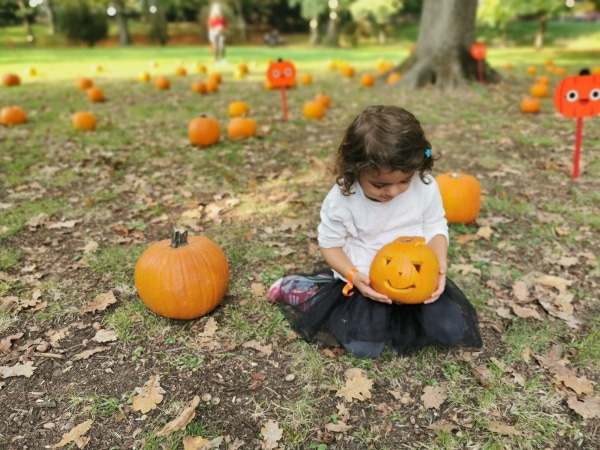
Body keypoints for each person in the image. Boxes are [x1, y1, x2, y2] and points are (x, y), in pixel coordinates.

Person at [269, 105, 482, 358]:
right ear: (355, 169)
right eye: (379, 184)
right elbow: (330, 245)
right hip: (366, 279)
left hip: (415, 276)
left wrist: (439, 263)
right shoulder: (342, 200)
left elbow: (435, 226)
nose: (392, 192)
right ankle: (309, 290)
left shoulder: (424, 185)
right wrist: (353, 275)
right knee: (363, 347)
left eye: (404, 181)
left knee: (450, 332)